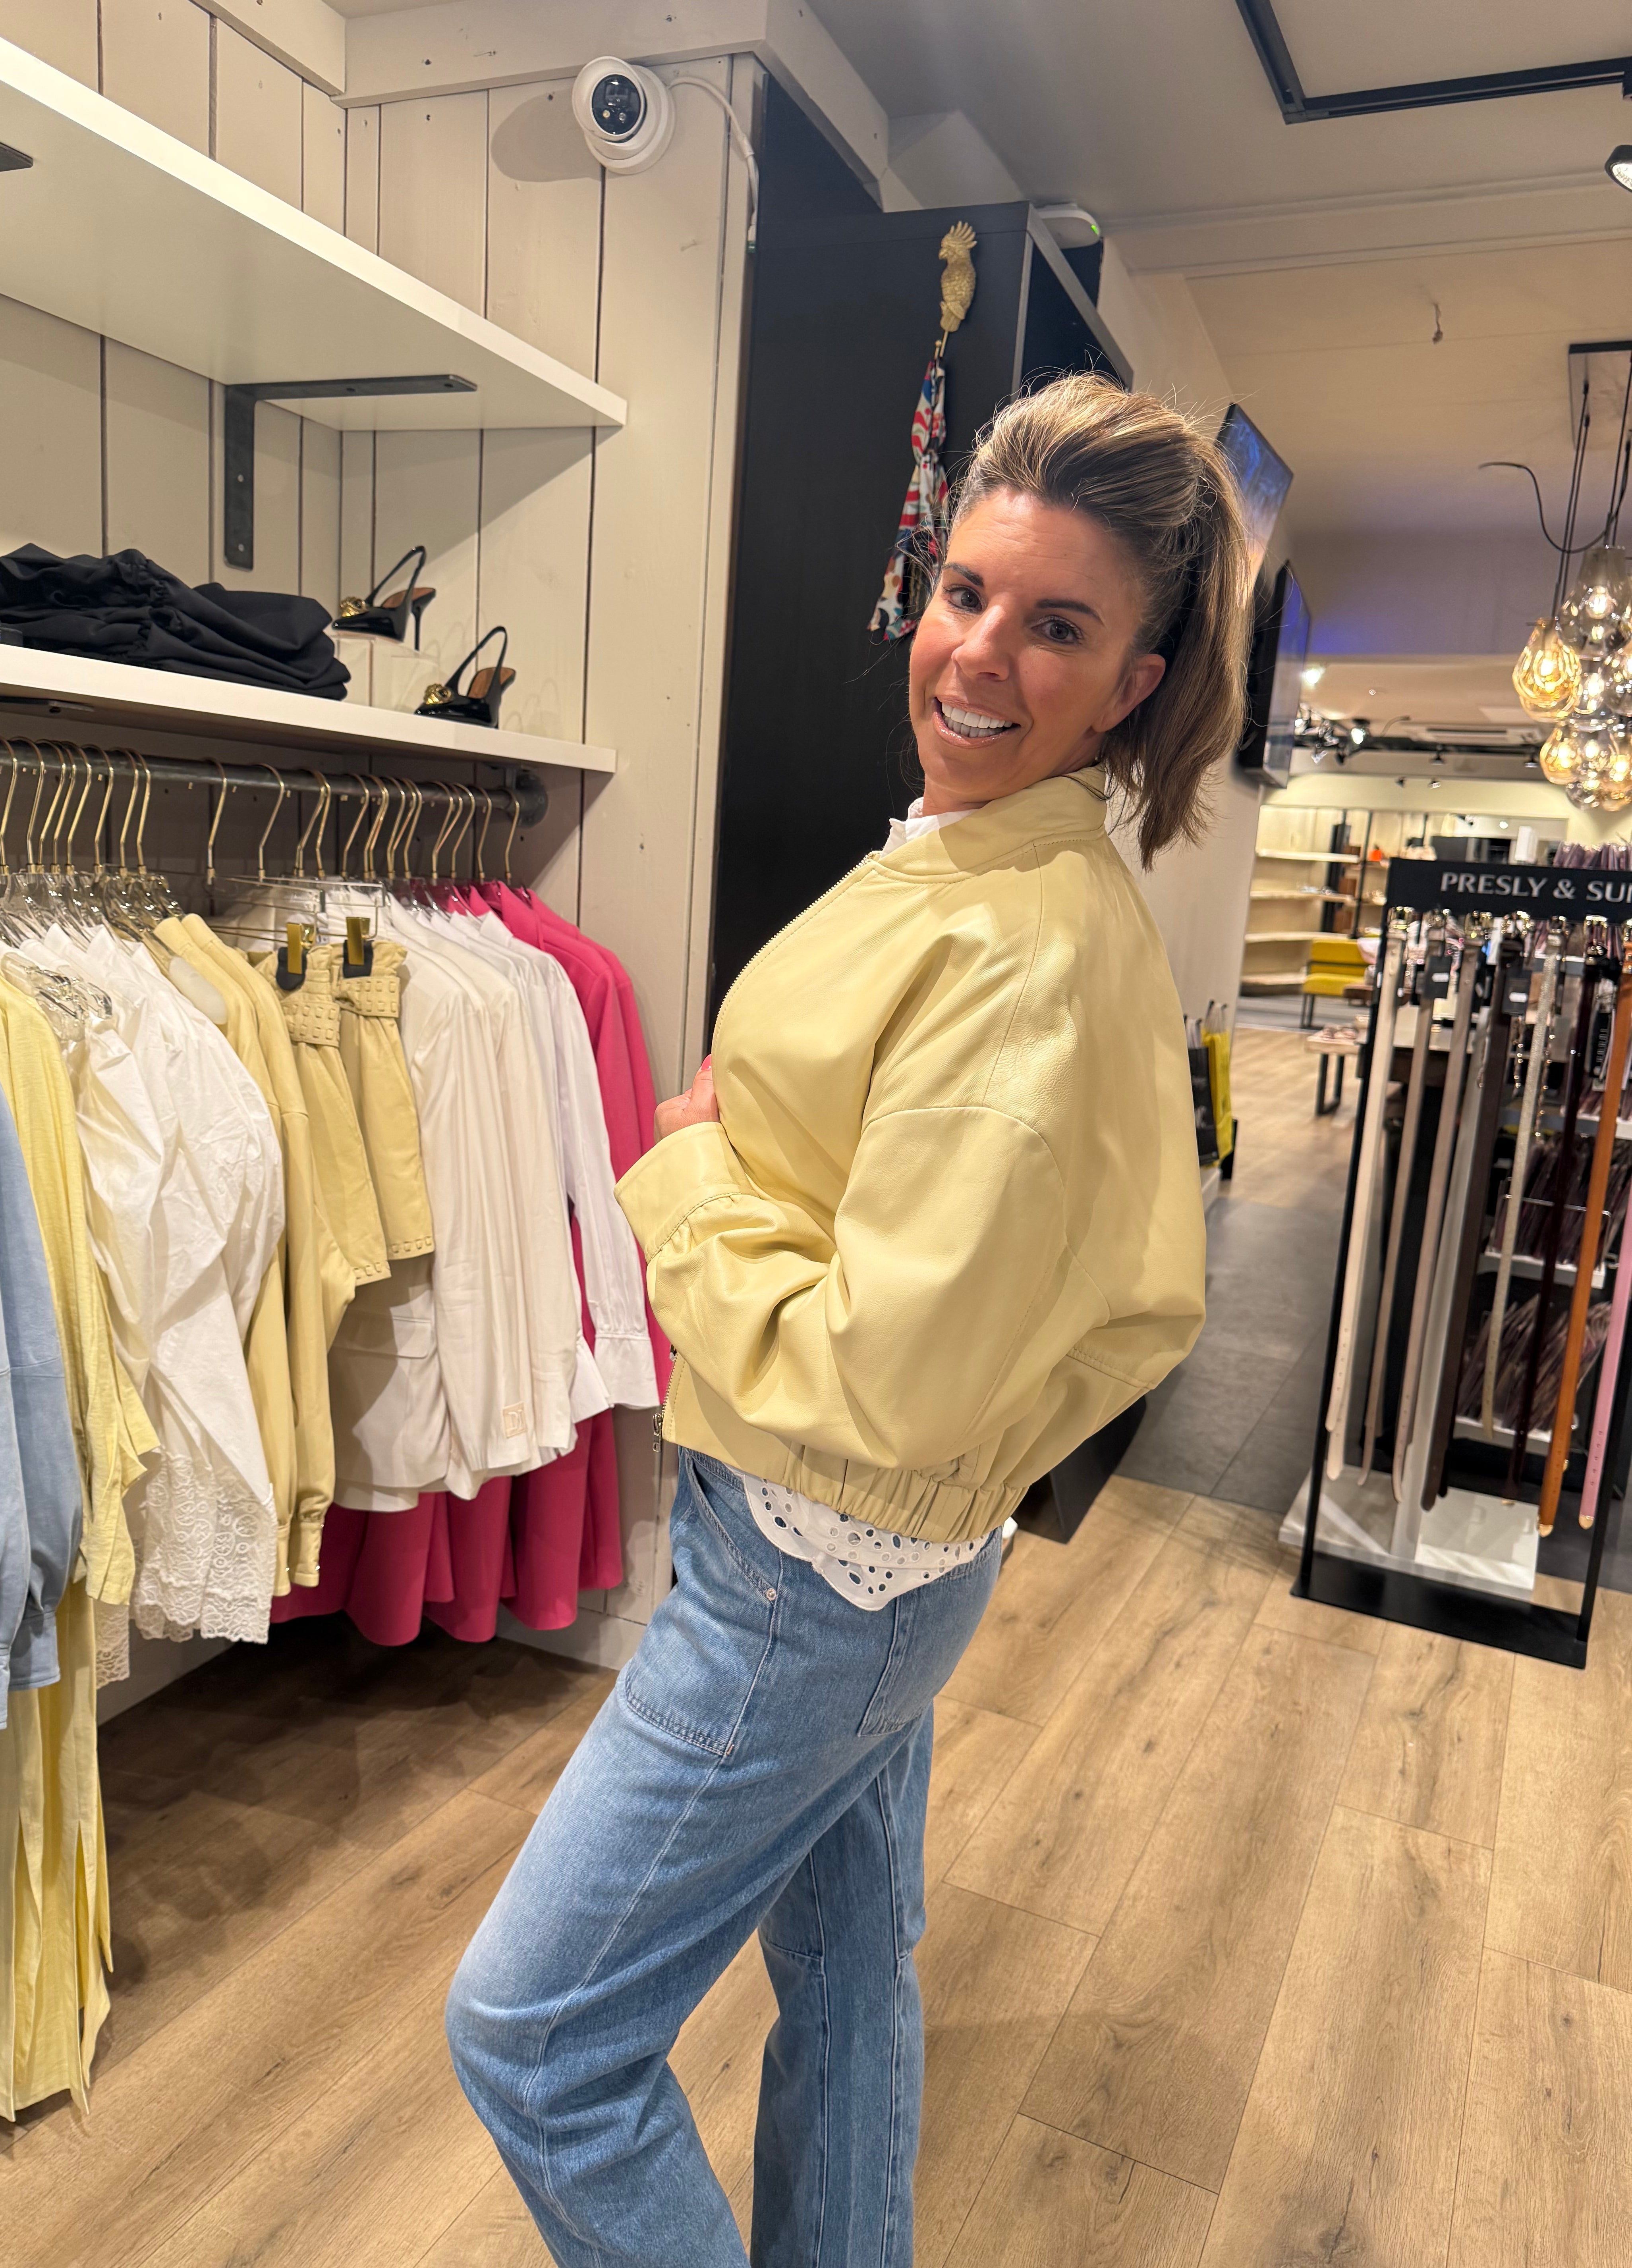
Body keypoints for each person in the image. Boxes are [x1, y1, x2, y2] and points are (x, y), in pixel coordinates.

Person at [445, 371, 1250, 2266]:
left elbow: (884, 1372)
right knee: (849, 1962)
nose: (979, 654)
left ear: (1132, 686)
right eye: (968, 593)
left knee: (538, 2039)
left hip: (814, 1568)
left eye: (1058, 627)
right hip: (867, 1556)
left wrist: (687, 1169)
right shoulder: (981, 860)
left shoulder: (1023, 947)